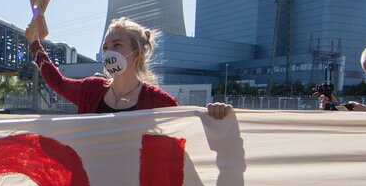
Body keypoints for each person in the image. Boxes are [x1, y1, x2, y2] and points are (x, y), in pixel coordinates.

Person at [29, 17, 232, 118]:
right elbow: (58, 82)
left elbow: (185, 132)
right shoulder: (91, 90)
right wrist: (35, 46)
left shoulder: (158, 101)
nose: (109, 53)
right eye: (106, 47)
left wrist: (214, 117)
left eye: (117, 45)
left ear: (136, 53)